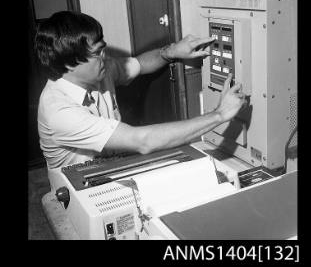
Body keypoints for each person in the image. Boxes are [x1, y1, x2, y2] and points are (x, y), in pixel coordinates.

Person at [35, 11, 245, 170]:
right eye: (98, 52)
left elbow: (139, 64)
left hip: (113, 168)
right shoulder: (58, 111)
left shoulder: (98, 70)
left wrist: (172, 51)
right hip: (78, 190)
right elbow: (142, 141)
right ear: (70, 63)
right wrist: (220, 114)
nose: (105, 58)